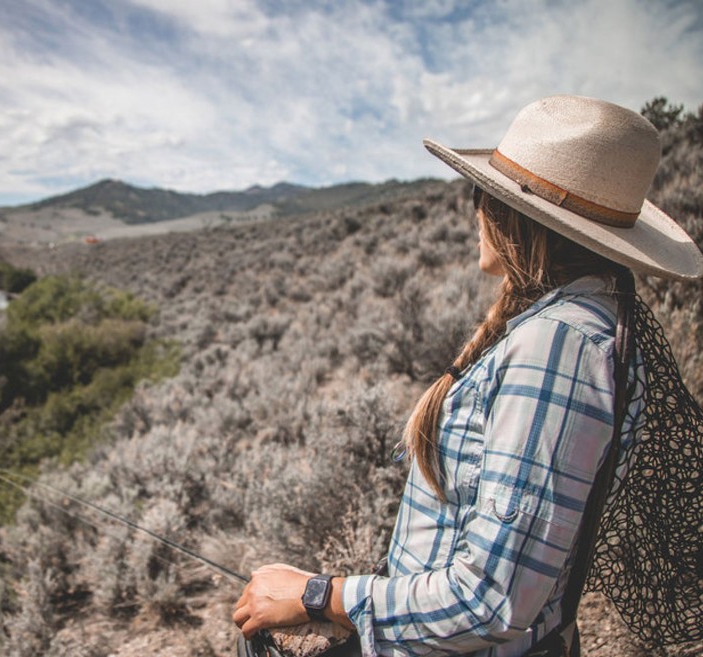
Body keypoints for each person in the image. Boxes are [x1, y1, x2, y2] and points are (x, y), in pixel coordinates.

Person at [233, 95, 703, 656]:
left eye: (483, 194)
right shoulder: (575, 324)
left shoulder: (557, 346)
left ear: (516, 216)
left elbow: (491, 600)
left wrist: (318, 597)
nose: (474, 209)